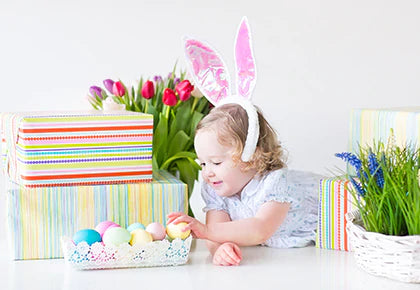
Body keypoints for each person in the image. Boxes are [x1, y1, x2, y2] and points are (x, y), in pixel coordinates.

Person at [167, 103, 322, 266]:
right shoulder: (216, 188)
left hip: (332, 207)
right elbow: (216, 230)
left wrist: (205, 231)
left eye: (216, 162)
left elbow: (260, 229)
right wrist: (220, 249)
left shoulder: (274, 183)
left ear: (252, 157)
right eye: (203, 164)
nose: (207, 173)